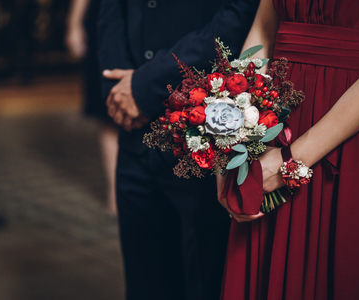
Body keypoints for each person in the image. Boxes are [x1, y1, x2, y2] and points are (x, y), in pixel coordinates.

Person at [217, 0, 359, 299]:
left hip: (356, 128)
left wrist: (289, 161)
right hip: (275, 117)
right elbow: (263, 32)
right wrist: (229, 139)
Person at [96, 1, 259, 299]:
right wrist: (115, 85)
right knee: (144, 283)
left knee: (206, 281)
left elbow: (239, 13)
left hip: (203, 128)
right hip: (134, 135)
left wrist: (145, 85)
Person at [65, 0, 118, 215]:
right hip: (106, 19)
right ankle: (115, 193)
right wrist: (74, 24)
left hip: (146, 21)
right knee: (106, 109)